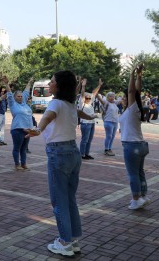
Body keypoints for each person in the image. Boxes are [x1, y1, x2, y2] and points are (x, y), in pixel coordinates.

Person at [27, 70, 96, 257]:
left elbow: (48, 116)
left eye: (52, 82)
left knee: (59, 201)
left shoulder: (56, 103)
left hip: (59, 154)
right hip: (73, 153)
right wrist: (91, 117)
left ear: (59, 86)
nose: (50, 84)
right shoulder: (70, 104)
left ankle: (64, 242)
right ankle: (73, 240)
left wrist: (38, 129)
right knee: (70, 199)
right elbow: (79, 112)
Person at [121, 64, 151, 210]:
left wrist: (132, 73)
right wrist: (139, 75)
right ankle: (143, 196)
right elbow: (137, 91)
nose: (122, 98)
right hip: (140, 145)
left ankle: (136, 199)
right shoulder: (135, 109)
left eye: (124, 97)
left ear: (129, 99)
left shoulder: (132, 109)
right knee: (139, 172)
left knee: (133, 174)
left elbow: (133, 91)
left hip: (132, 146)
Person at [5, 77, 34, 171]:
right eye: (18, 96)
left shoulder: (24, 103)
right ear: (15, 97)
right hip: (17, 130)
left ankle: (24, 164)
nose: (21, 97)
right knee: (17, 148)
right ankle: (17, 165)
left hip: (28, 130)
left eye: (21, 96)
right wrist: (6, 84)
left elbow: (26, 91)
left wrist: (29, 82)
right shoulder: (13, 104)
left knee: (24, 149)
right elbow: (9, 94)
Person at [78, 78, 102, 160]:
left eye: (89, 98)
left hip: (91, 123)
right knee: (85, 139)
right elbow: (82, 94)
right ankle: (82, 154)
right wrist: (83, 86)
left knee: (89, 139)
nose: (88, 99)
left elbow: (94, 93)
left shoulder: (90, 103)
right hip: (85, 123)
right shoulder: (81, 103)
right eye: (87, 98)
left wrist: (99, 85)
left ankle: (86, 153)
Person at [96, 89, 123, 156]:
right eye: (111, 96)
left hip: (115, 122)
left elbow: (121, 100)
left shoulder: (114, 103)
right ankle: (106, 149)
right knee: (109, 136)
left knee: (113, 136)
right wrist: (97, 90)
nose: (112, 97)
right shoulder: (106, 102)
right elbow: (100, 99)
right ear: (107, 97)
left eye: (113, 96)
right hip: (108, 121)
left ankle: (109, 148)